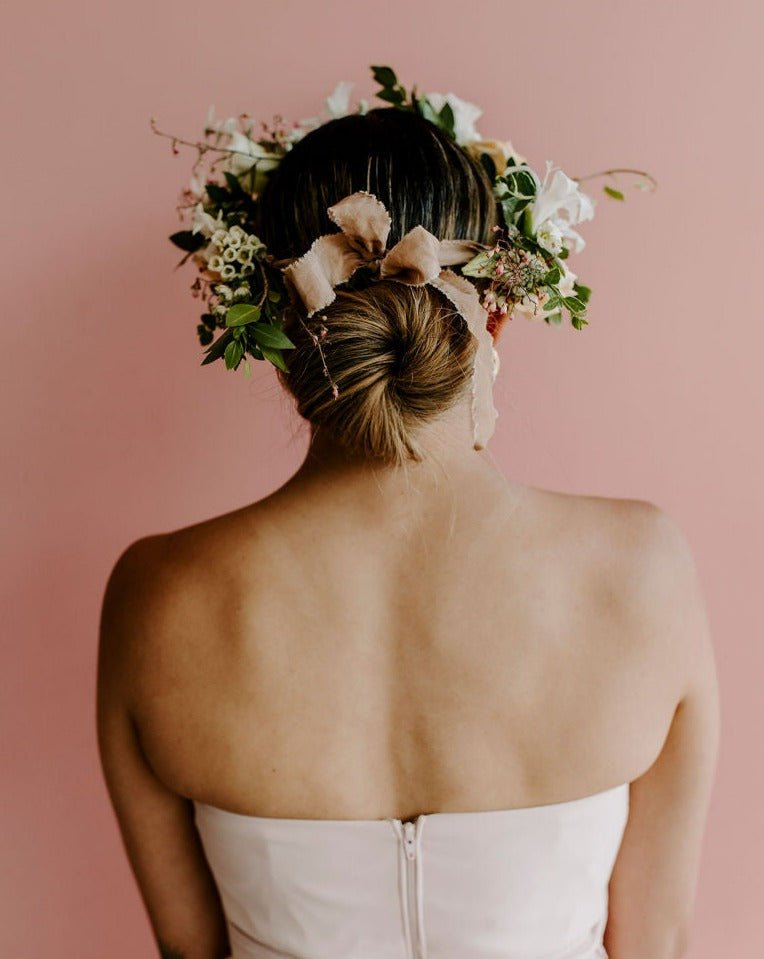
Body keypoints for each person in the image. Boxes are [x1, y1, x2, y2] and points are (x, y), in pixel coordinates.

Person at [97, 107, 720, 959]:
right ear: (496, 312)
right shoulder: (642, 570)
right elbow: (657, 943)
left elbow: (187, 947)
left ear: (277, 332)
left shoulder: (159, 593)